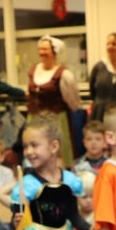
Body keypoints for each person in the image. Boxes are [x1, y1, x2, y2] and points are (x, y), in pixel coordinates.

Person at [26, 36, 81, 167]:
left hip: (56, 119)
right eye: (40, 49)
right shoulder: (34, 70)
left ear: (54, 51)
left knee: (56, 151)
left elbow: (73, 101)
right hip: (34, 117)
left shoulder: (63, 74)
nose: (42, 52)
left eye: (45, 49)